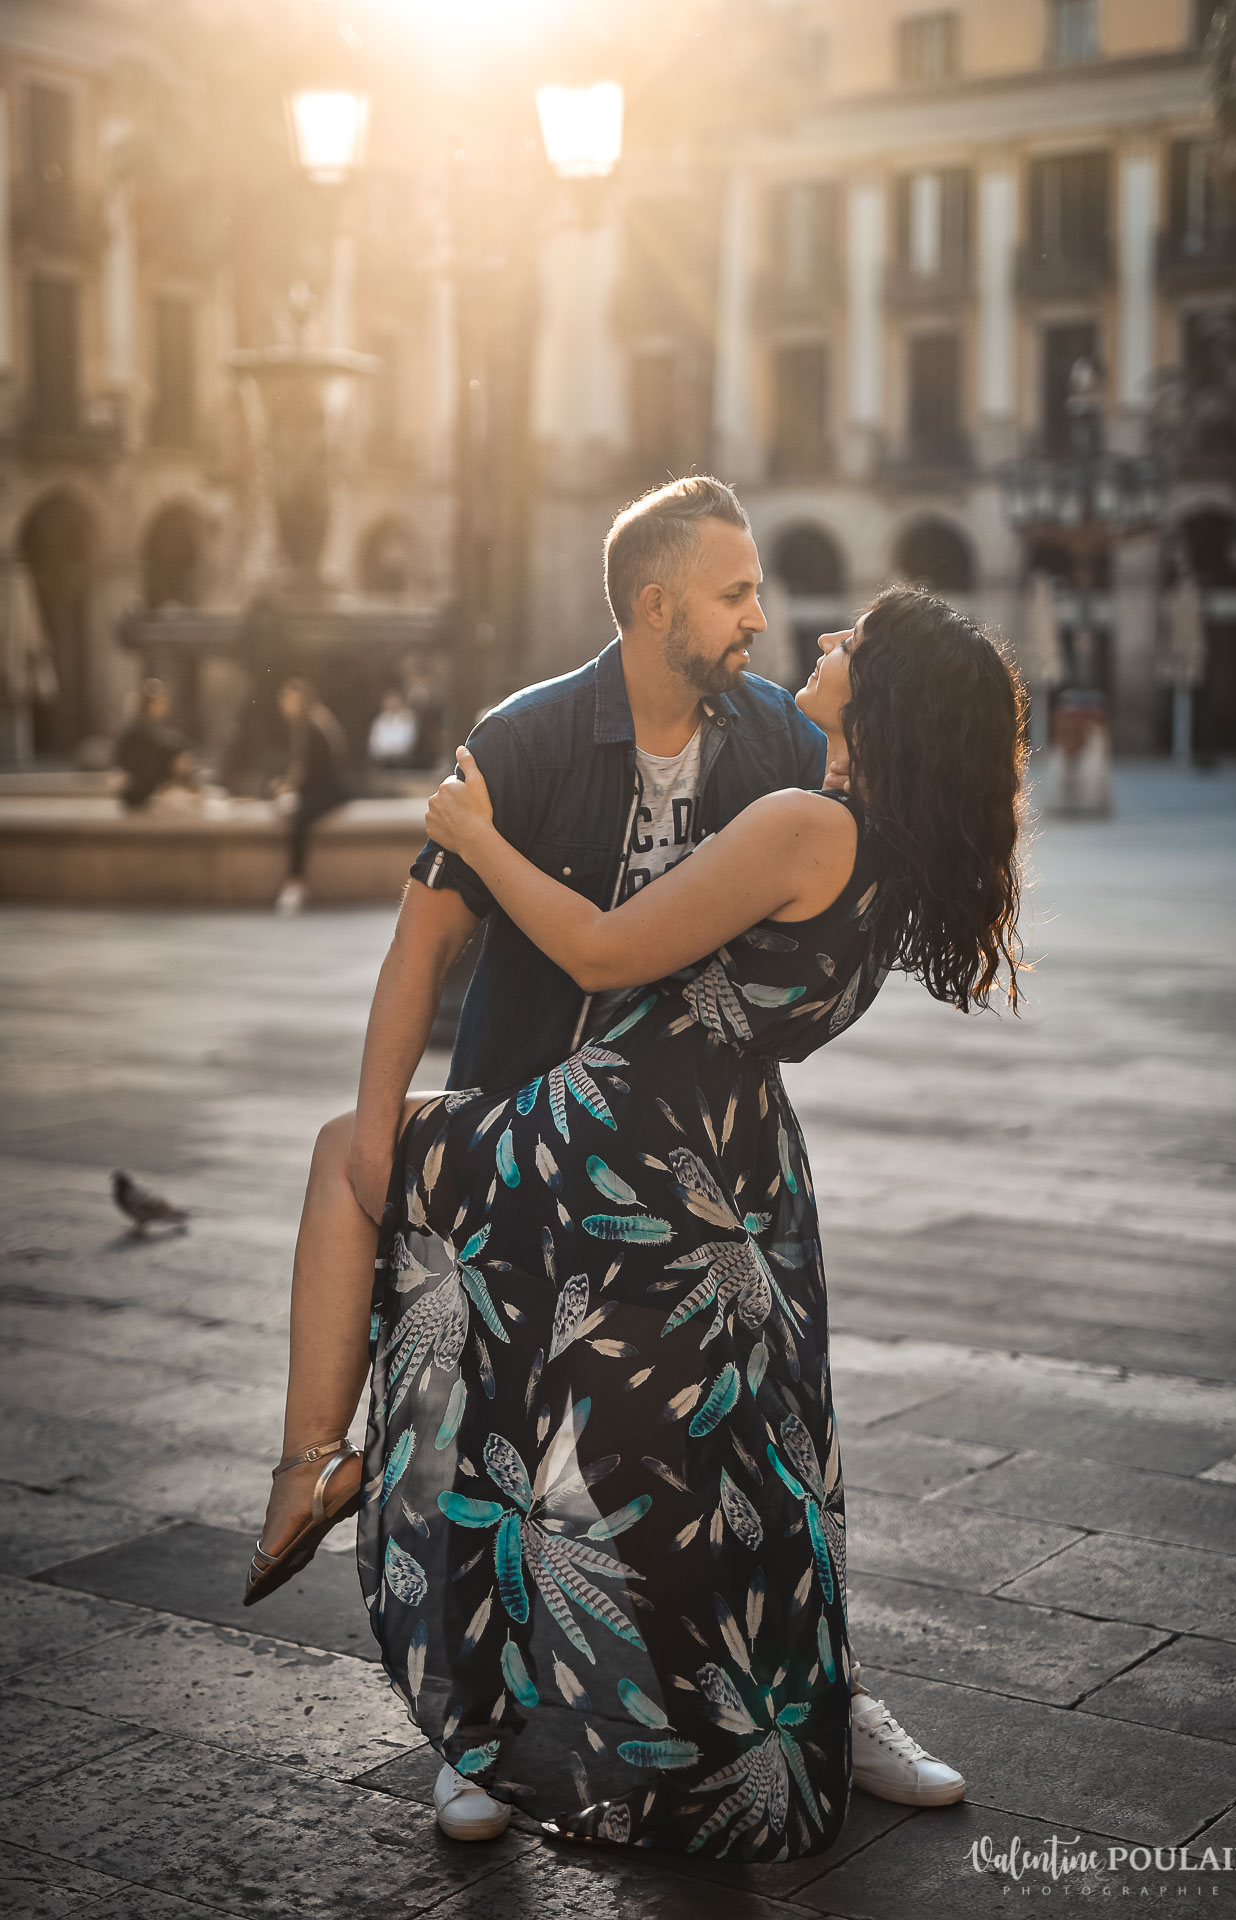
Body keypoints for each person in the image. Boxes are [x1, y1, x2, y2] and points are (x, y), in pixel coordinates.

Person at [244, 481, 1019, 1851]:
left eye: (838, 638)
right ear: (657, 603)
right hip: (718, 1164)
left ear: (880, 704)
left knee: (727, 1462)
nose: (784, 629)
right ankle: (517, 1729)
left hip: (623, 1141)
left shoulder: (791, 781)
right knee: (751, 1459)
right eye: (740, 594)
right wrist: (384, 1133)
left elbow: (607, 952)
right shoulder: (558, 738)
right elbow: (426, 944)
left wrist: (475, 837)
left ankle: (312, 1464)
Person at [272, 678, 352, 915]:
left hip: (330, 792)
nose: (284, 705)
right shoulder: (315, 720)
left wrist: (287, 787)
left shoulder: (311, 725)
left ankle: (295, 882)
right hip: (327, 789)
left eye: (289, 699)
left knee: (299, 819)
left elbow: (308, 770)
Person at [114, 678, 197, 811]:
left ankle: (185, 792)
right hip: (136, 791)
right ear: (150, 704)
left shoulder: (148, 729)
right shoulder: (138, 731)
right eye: (162, 703)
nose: (165, 707)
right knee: (178, 757)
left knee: (178, 755)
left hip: (141, 791)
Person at [367, 687, 419, 770]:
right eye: (389, 702)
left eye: (394, 702)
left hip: (402, 761)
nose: (392, 705)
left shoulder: (407, 718)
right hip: (381, 760)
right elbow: (374, 743)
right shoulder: (379, 720)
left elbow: (407, 742)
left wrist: (393, 751)